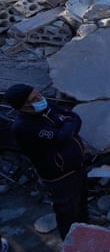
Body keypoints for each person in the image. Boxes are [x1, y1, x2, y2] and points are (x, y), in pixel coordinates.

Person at [5, 84, 88, 238]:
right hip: (60, 177)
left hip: (77, 167)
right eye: (34, 98)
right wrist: (67, 125)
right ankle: (72, 244)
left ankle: (88, 234)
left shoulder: (45, 108)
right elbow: (62, 136)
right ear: (22, 107)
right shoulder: (23, 127)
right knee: (68, 213)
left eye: (38, 94)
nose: (40, 99)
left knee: (82, 204)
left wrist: (67, 126)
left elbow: (75, 118)